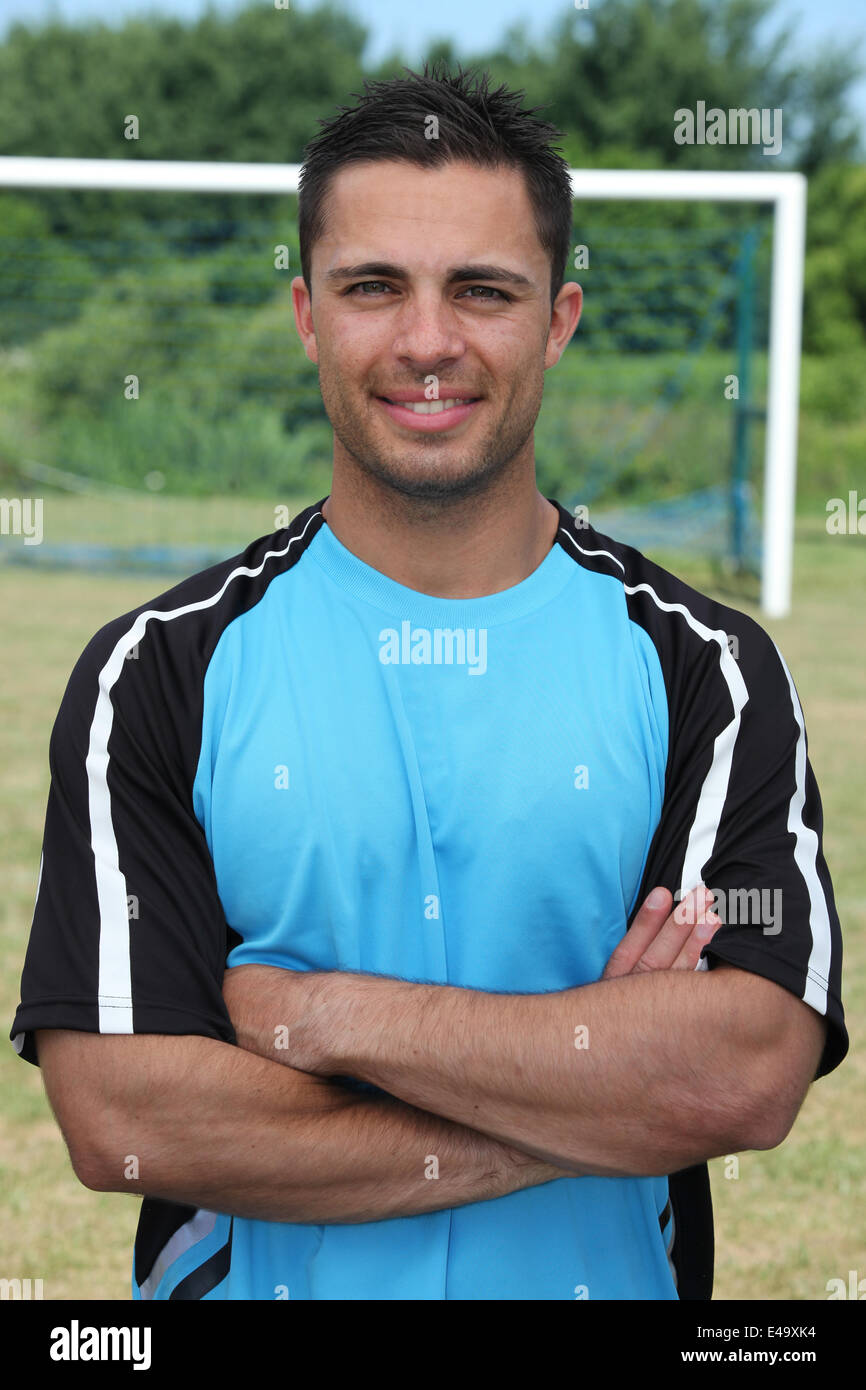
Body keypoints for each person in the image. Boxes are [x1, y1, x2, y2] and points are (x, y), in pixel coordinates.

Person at [10, 64, 846, 1301]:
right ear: (307, 315)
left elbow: (744, 1072)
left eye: (481, 290)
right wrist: (596, 1093)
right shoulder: (157, 671)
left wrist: (320, 1015)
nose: (426, 343)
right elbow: (125, 1115)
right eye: (372, 287)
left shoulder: (705, 670)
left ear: (557, 320)